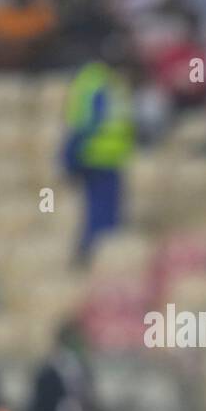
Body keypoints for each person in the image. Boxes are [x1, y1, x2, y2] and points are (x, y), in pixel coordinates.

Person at [63, 40, 134, 262]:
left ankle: (97, 255)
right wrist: (70, 155)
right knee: (102, 212)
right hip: (96, 156)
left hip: (107, 156)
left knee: (105, 211)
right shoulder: (95, 83)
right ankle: (93, 255)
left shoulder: (101, 81)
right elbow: (84, 124)